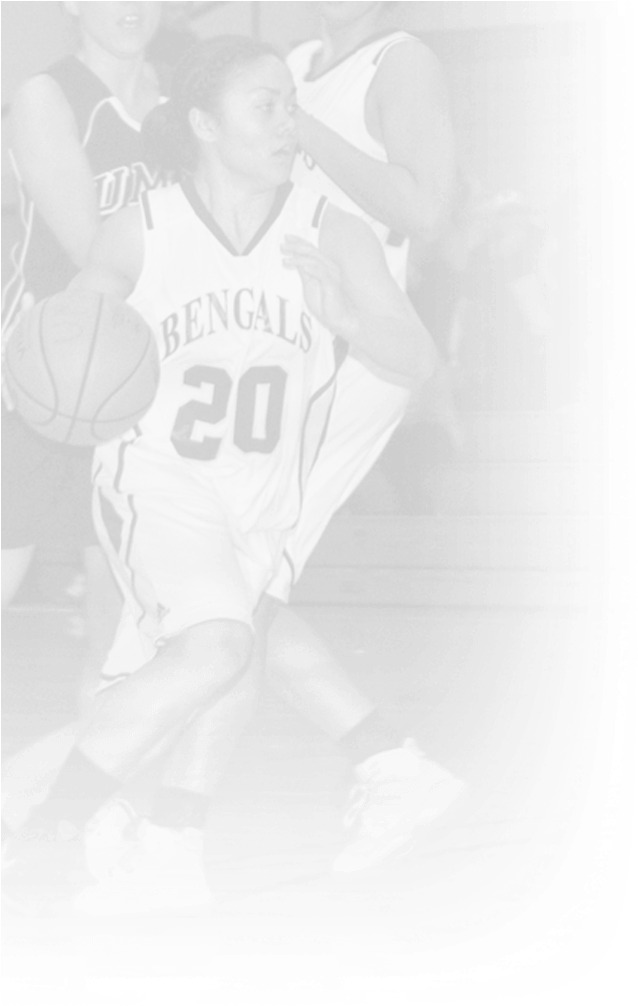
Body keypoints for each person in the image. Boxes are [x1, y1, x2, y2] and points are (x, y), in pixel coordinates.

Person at [2, 3, 465, 911]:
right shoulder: (143, 228)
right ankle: (53, 842)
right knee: (218, 642)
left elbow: (416, 363)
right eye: (269, 107)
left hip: (262, 490)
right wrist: (54, 369)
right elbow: (73, 329)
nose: (291, 123)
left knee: (209, 652)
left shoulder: (330, 232)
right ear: (207, 125)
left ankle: (163, 843)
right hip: (157, 479)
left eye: (294, 105)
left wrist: (354, 323)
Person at [1, 0, 167, 696]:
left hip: (135, 386)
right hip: (42, 375)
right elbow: (92, 252)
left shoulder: (184, 103)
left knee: (114, 620)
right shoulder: (46, 96)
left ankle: (82, 802)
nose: (129, 5)